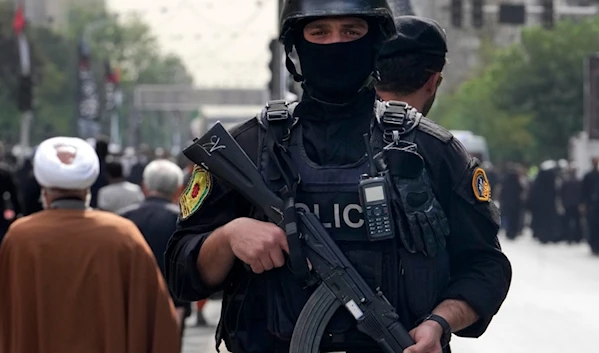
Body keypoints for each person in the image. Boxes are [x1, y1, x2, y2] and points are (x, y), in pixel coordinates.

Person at [166, 5, 511, 353]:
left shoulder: (432, 151)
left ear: (375, 42)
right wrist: (228, 237)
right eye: (319, 32)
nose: (335, 44)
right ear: (296, 49)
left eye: (351, 31)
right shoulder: (249, 148)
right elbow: (181, 273)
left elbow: (486, 266)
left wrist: (440, 321)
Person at [0, 137, 181, 353]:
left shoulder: (21, 238)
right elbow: (158, 321)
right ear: (88, 190)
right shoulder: (122, 235)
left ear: (44, 191)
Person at [119, 159, 193, 345]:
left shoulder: (122, 220)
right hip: (173, 300)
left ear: (144, 187)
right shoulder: (183, 221)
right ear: (178, 190)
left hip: (129, 302)